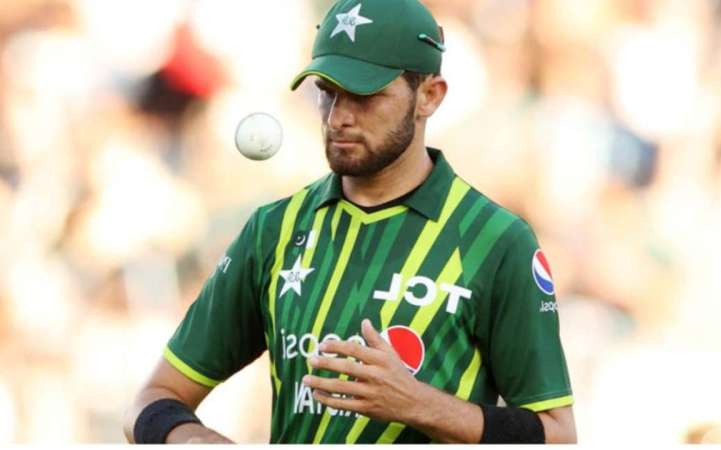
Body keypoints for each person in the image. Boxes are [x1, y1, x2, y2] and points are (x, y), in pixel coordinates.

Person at [123, 0, 576, 443]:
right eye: (328, 92)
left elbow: (558, 435)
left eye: (365, 96)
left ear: (429, 96)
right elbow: (153, 398)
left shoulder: (496, 241)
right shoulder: (273, 230)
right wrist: (191, 439)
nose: (338, 117)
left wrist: (419, 404)